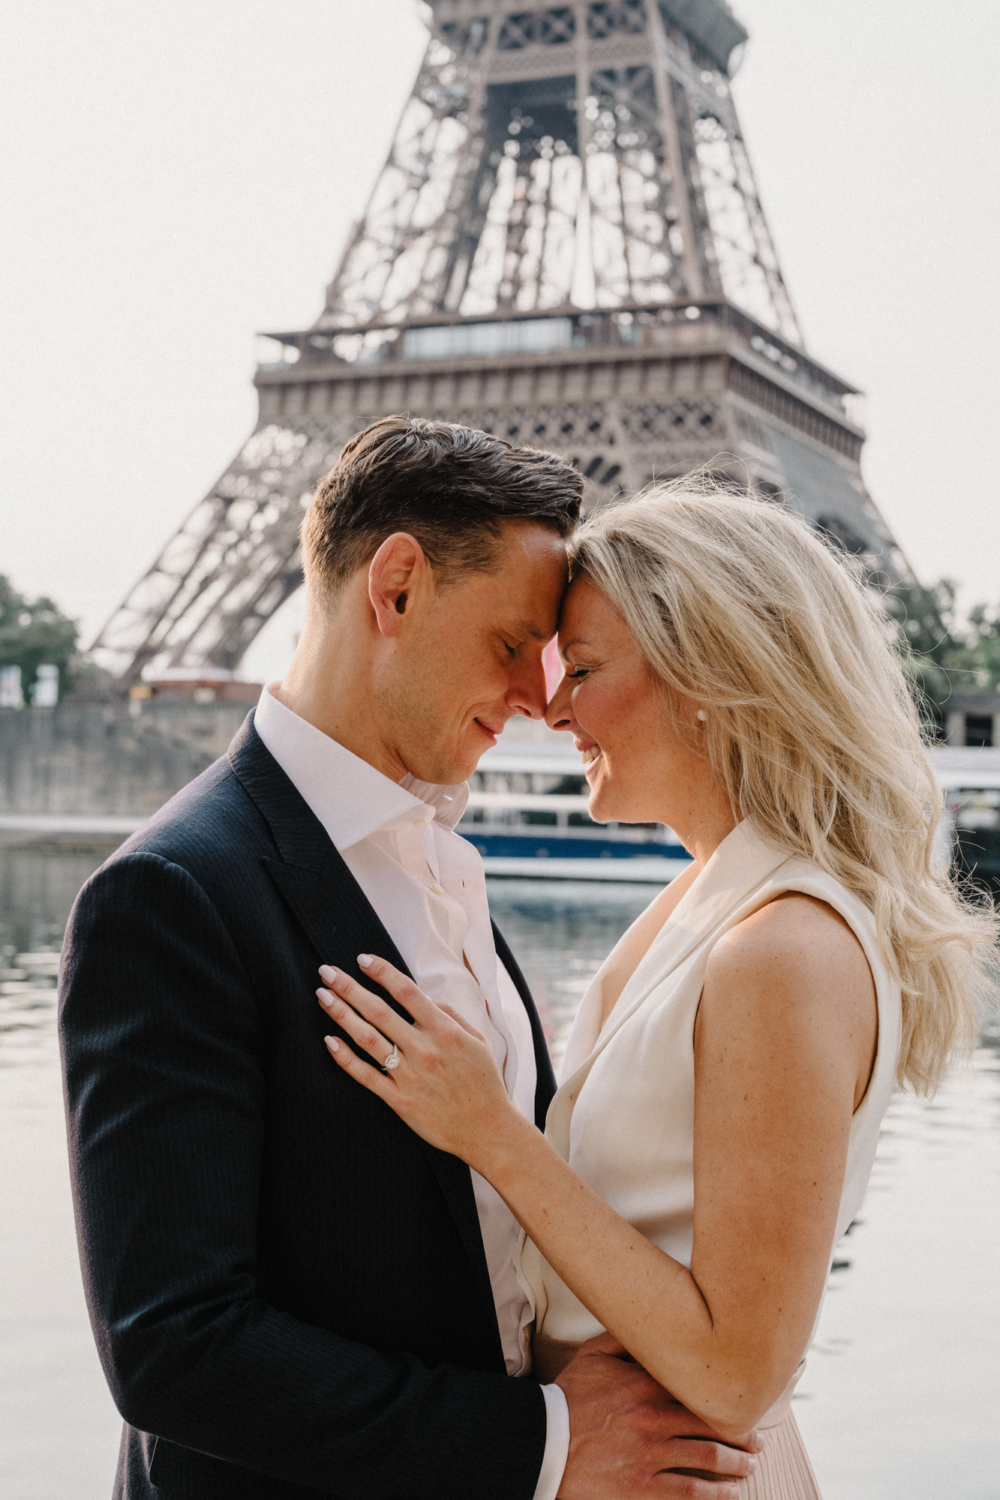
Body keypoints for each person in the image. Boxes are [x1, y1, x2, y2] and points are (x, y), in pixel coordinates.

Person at [59, 419, 762, 1500]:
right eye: (510, 643)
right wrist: (544, 1445)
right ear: (394, 589)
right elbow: (174, 1347)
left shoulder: (445, 863)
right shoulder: (172, 896)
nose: (539, 698)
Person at [315, 485, 996, 1498]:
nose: (550, 708)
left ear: (706, 680)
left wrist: (488, 1129)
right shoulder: (716, 899)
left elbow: (734, 1369)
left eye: (581, 671)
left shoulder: (779, 948)